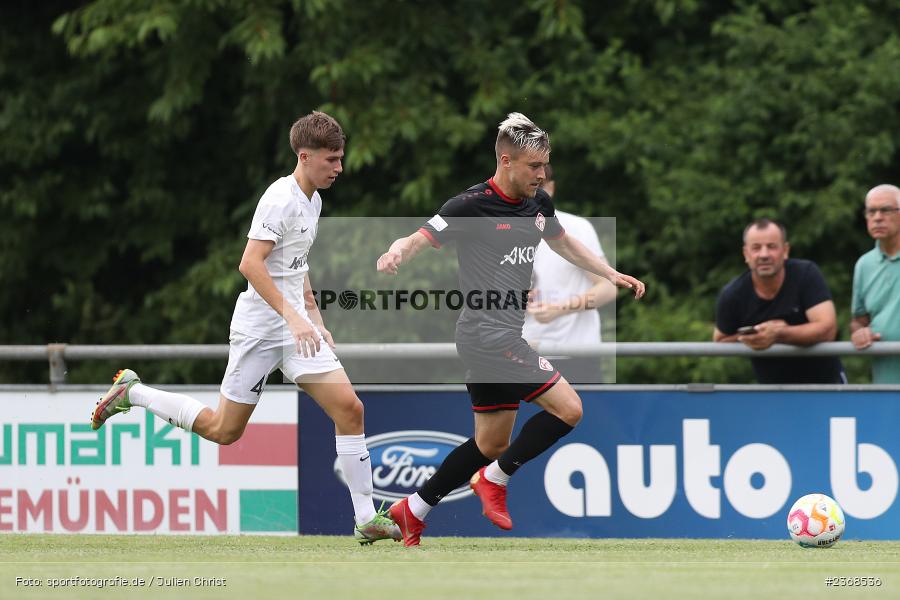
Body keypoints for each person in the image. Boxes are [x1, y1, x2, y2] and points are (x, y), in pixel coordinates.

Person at [90, 111, 400, 544]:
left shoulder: (314, 200)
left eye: (340, 158)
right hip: (260, 330)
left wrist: (313, 317)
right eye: (331, 160)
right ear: (305, 156)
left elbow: (296, 263)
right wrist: (293, 318)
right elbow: (249, 263)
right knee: (224, 430)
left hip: (297, 333)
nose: (339, 168)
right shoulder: (280, 199)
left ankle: (366, 519)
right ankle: (133, 392)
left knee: (350, 409)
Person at [376, 113, 645, 546]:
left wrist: (609, 272)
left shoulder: (538, 204)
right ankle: (494, 481)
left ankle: (413, 510)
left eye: (545, 165)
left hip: (502, 336)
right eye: (534, 166)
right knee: (569, 409)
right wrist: (396, 252)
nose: (542, 174)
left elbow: (562, 242)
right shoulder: (470, 205)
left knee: (490, 442)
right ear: (506, 160)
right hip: (487, 336)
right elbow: (418, 237)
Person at [713, 218, 846, 383]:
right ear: (746, 254)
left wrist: (779, 334)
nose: (764, 255)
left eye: (771, 247)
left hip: (826, 385)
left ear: (785, 251)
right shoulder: (733, 294)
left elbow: (828, 330)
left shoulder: (806, 274)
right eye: (756, 248)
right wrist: (755, 336)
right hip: (772, 391)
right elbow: (720, 340)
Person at [522, 164, 617, 382]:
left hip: (576, 353)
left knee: (578, 415)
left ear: (551, 188)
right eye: (527, 184)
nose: (532, 191)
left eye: (539, 185)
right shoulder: (500, 231)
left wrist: (559, 309)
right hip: (522, 352)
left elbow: (608, 288)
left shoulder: (577, 228)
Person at [850, 184, 900, 383]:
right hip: (886, 378)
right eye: (871, 211)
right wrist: (859, 332)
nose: (877, 217)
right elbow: (859, 320)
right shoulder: (864, 264)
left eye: (886, 210)